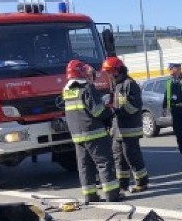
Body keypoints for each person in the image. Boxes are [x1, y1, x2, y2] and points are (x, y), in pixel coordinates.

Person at [62, 59, 120, 204]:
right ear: (81, 72)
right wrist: (111, 111)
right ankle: (112, 195)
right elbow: (98, 111)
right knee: (104, 163)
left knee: (85, 166)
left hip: (77, 136)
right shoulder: (87, 88)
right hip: (94, 133)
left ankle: (90, 196)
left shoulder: (67, 90)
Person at [102, 56, 149, 193]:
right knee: (118, 157)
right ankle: (122, 185)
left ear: (117, 71)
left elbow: (134, 106)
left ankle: (142, 182)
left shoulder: (130, 84)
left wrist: (116, 111)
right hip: (118, 129)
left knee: (131, 155)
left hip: (130, 128)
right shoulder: (116, 85)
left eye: (109, 72)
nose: (108, 75)